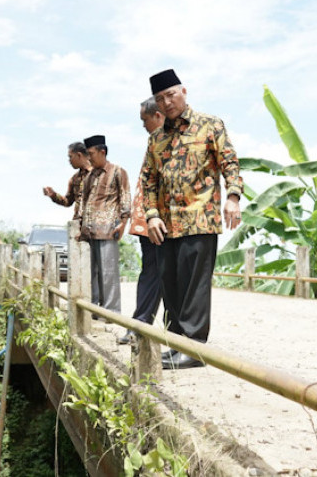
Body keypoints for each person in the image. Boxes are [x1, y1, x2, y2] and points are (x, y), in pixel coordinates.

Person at [141, 69, 243, 369]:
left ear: (183, 92)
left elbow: (230, 162)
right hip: (166, 225)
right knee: (170, 285)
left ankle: (194, 348)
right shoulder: (156, 139)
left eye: (171, 94)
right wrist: (151, 216)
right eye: (160, 98)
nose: (167, 102)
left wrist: (233, 197)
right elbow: (147, 181)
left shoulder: (210, 125)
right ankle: (176, 343)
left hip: (200, 218)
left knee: (194, 285)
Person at [118, 97, 166, 345]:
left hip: (167, 220)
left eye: (144, 120)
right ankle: (140, 325)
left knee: (162, 275)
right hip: (150, 220)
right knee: (152, 273)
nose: (143, 125)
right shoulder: (154, 142)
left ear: (157, 116)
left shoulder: (173, 139)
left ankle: (148, 328)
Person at [80, 135, 131, 314]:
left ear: (102, 152)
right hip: (89, 231)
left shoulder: (118, 171)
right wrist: (81, 227)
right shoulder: (89, 177)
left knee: (108, 273)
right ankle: (94, 310)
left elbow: (125, 197)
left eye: (91, 154)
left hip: (109, 230)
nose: (89, 158)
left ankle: (111, 313)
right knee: (91, 274)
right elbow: (83, 203)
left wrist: (123, 223)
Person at [43, 141, 92, 220]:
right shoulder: (74, 179)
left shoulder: (100, 175)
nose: (69, 161)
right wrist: (53, 195)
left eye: (70, 157)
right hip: (77, 225)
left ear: (79, 155)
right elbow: (67, 202)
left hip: (97, 225)